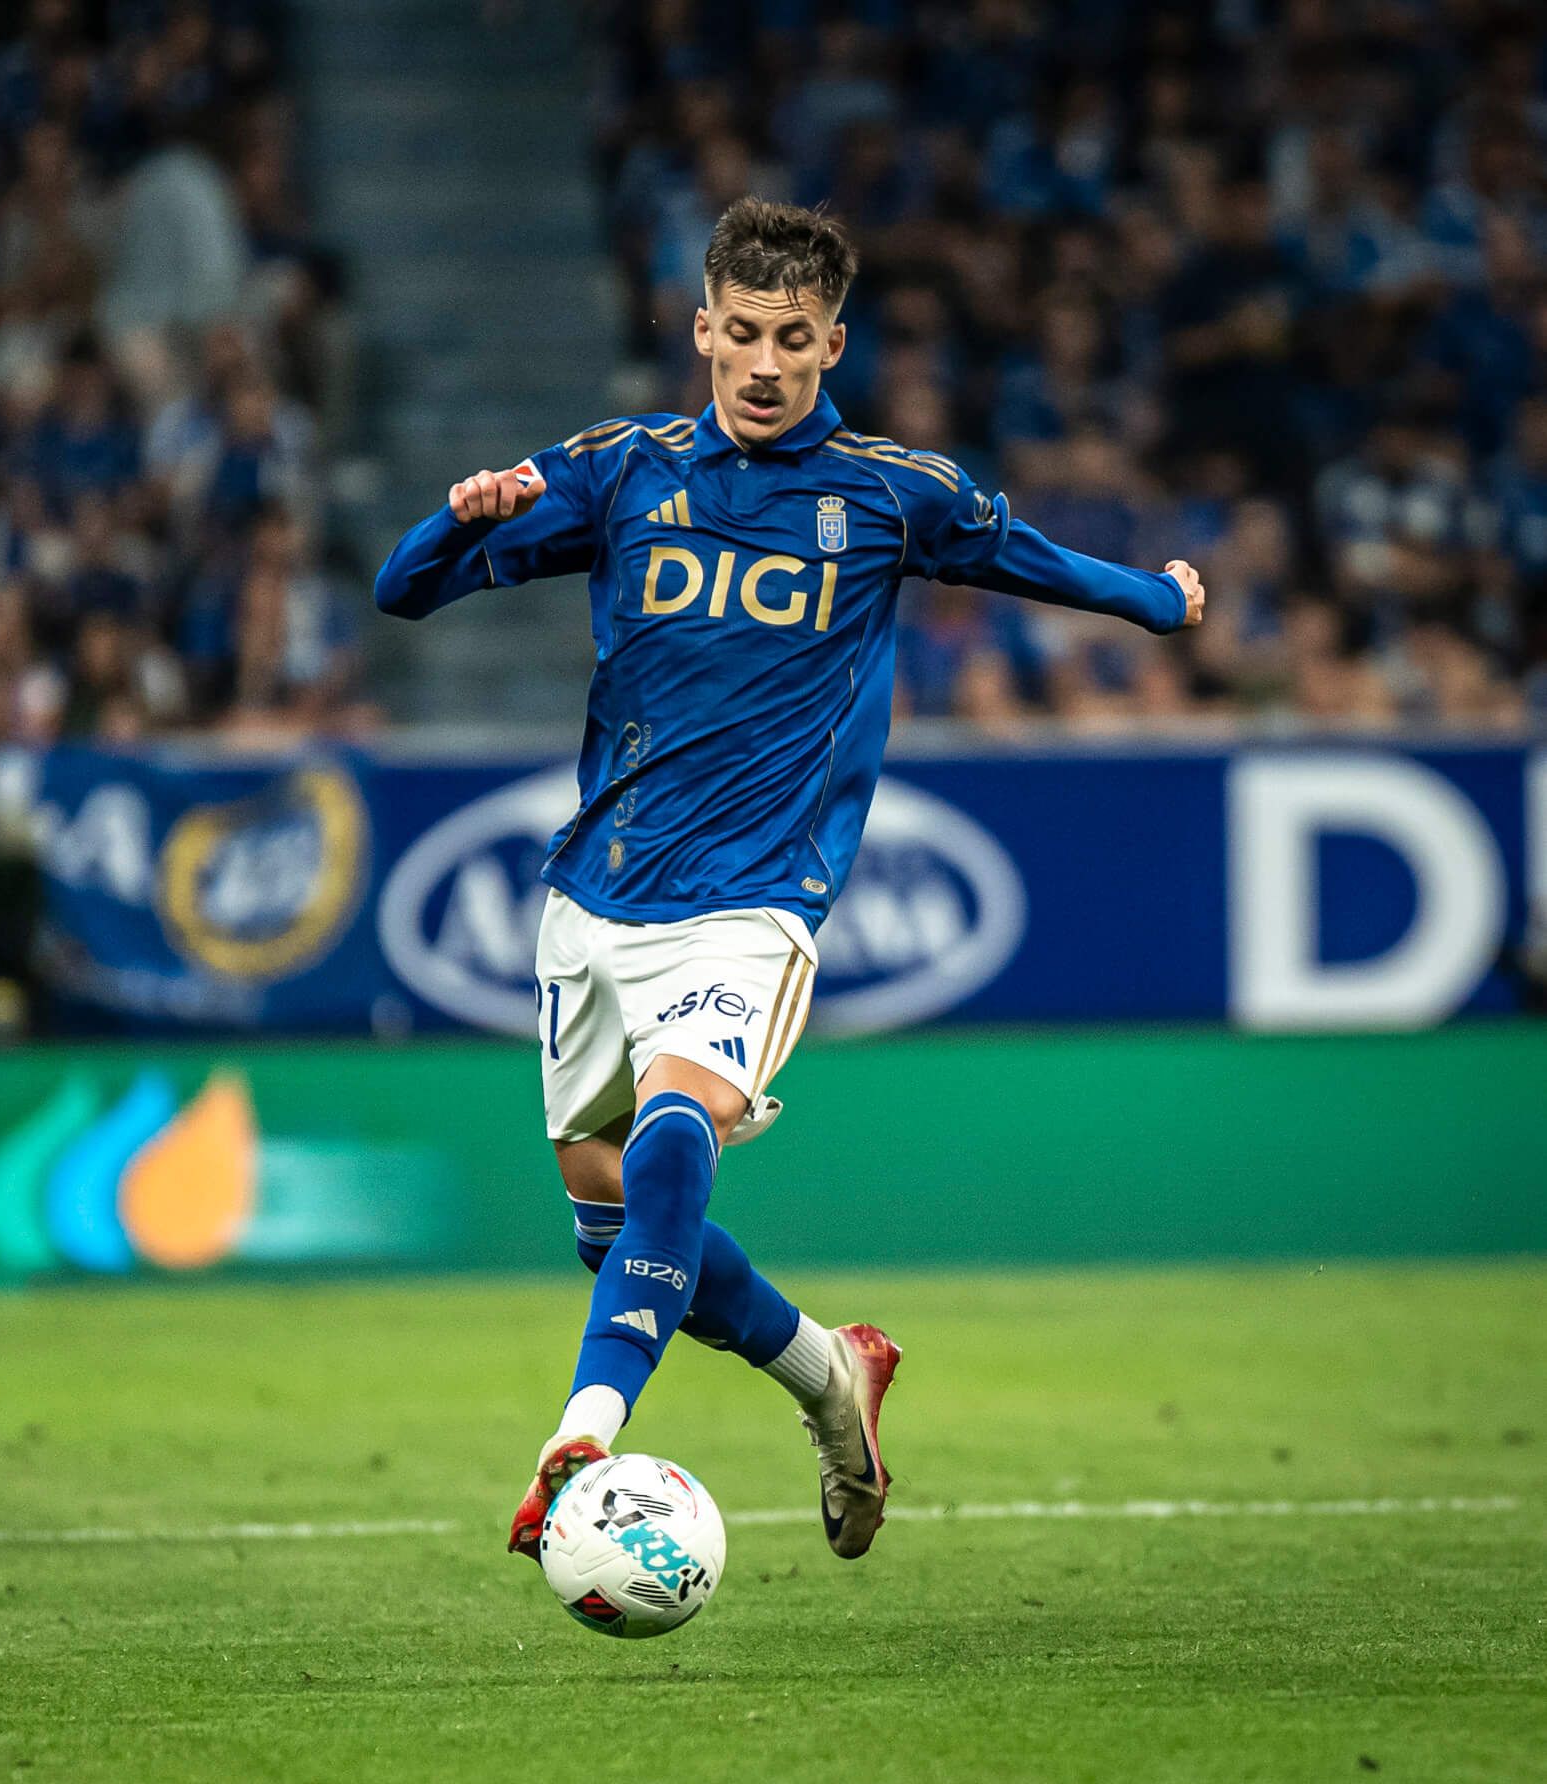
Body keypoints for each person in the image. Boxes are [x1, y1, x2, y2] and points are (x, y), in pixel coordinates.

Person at [373, 199, 1206, 1566]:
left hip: (757, 895)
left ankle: (581, 1430)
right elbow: (406, 592)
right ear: (702, 330)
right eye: (743, 333)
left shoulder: (887, 494)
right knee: (620, 1228)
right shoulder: (620, 469)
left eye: (796, 340)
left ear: (834, 346)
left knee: (673, 1142)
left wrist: (1162, 601)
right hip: (596, 893)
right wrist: (455, 514)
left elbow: (1039, 562)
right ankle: (832, 1375)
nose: (766, 364)